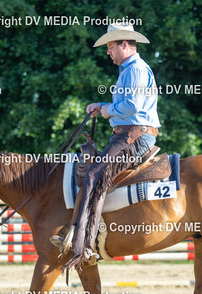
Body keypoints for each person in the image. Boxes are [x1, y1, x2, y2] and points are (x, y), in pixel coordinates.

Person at [52, 23, 161, 269]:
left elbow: (132, 106)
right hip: (128, 134)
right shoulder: (128, 70)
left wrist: (106, 110)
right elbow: (128, 105)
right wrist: (102, 106)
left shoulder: (135, 70)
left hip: (134, 136)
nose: (108, 52)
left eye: (110, 46)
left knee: (94, 174)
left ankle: (83, 244)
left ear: (125, 44)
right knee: (94, 172)